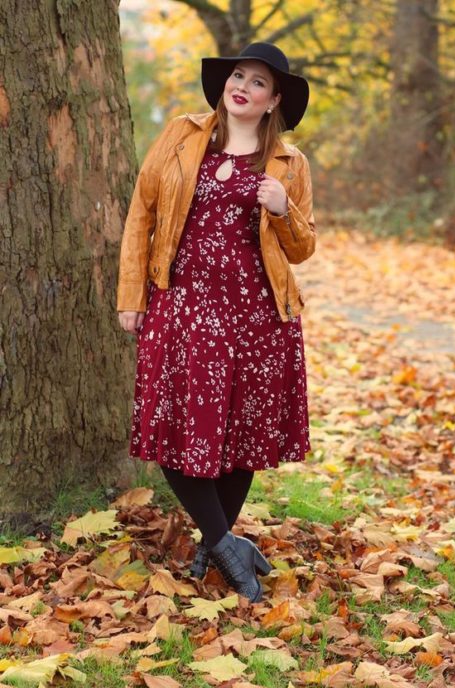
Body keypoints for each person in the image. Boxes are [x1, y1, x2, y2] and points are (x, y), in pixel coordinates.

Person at [117, 42, 316, 603]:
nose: (243, 87)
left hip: (256, 313)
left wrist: (283, 209)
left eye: (258, 83)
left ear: (274, 99)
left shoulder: (290, 164)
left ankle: (215, 551)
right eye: (238, 76)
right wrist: (130, 294)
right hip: (184, 304)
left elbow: (302, 249)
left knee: (242, 432)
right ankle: (228, 544)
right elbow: (142, 213)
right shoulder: (182, 135)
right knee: (172, 428)